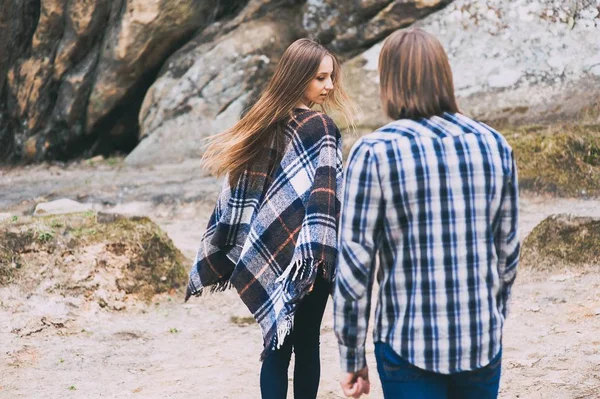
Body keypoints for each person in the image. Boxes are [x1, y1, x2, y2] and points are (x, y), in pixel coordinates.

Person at [334, 27, 520, 399]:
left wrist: (352, 356)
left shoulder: (374, 152)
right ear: (444, 75)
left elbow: (355, 267)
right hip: (481, 339)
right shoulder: (494, 145)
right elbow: (508, 251)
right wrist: (492, 318)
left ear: (389, 82)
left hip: (407, 343)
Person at [185, 38, 356, 399]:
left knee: (276, 347)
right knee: (307, 343)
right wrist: (318, 253)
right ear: (298, 78)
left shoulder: (262, 120)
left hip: (268, 247)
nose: (328, 86)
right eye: (320, 78)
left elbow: (239, 194)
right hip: (309, 257)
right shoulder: (321, 128)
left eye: (330, 78)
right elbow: (328, 201)